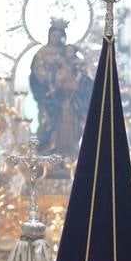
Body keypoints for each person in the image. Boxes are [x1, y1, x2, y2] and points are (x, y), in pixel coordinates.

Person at [29, 18, 92, 161]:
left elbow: (78, 68)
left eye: (59, 36)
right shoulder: (42, 53)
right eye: (54, 35)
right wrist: (50, 78)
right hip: (49, 94)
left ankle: (69, 152)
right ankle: (49, 148)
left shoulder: (67, 51)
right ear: (49, 35)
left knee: (70, 121)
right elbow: (38, 72)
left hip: (68, 96)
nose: (56, 39)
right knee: (48, 122)